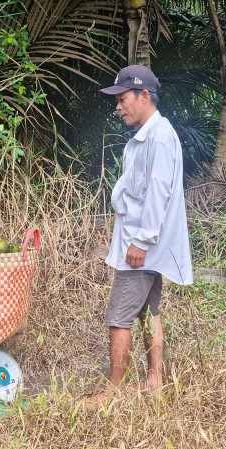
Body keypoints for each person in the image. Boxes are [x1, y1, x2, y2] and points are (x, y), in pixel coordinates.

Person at [85, 65, 193, 408]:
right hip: (143, 245)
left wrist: (141, 241)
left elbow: (158, 193)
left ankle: (111, 391)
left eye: (122, 99)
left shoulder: (159, 137)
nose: (118, 107)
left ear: (143, 95)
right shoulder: (149, 134)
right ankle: (155, 379)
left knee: (119, 316)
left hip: (142, 247)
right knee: (149, 311)